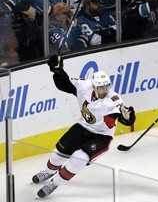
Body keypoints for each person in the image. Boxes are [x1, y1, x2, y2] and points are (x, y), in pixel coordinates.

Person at [32, 54, 136, 198]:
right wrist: (57, 70)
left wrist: (129, 116)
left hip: (102, 137)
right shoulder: (84, 86)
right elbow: (65, 84)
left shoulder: (113, 100)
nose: (104, 90)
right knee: (58, 155)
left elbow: (125, 119)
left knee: (79, 159)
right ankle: (48, 172)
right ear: (93, 86)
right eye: (101, 88)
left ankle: (54, 184)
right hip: (82, 127)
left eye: (106, 86)